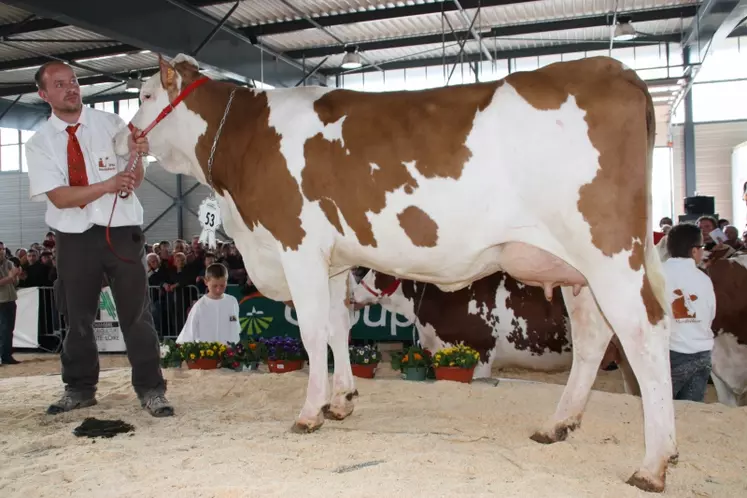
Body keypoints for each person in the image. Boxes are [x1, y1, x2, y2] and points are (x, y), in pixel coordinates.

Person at [24, 60, 173, 417]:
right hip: (72, 237)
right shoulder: (39, 143)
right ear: (44, 95)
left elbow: (133, 180)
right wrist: (107, 185)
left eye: (73, 81)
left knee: (136, 315)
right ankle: (79, 388)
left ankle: (151, 389)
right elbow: (59, 197)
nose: (70, 88)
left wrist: (138, 155)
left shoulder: (111, 125)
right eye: (59, 84)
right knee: (77, 318)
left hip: (122, 231)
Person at [663, 223, 717, 402]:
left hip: (670, 352)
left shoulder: (658, 274)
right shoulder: (704, 279)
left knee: (664, 406)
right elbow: (710, 314)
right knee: (691, 410)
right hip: (702, 352)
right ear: (694, 251)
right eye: (702, 247)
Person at [176, 263, 240, 345]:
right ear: (206, 281)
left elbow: (235, 326)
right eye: (214, 286)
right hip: (207, 353)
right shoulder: (200, 306)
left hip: (228, 352)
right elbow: (189, 332)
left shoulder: (232, 301)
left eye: (222, 285)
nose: (218, 290)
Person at [0, 241, 21, 366]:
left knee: (9, 329)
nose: (1, 251)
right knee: (3, 329)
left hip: (10, 299)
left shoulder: (9, 263)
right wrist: (10, 277)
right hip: (1, 301)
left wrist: (16, 276)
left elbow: (15, 282)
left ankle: (7, 355)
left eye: (2, 249)